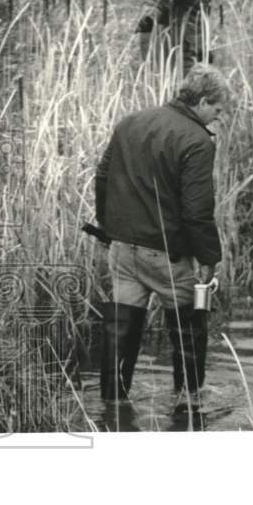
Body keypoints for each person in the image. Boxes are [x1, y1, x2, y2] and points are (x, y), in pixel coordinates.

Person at [94, 64, 231, 420]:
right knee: (189, 331)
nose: (218, 117)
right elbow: (197, 211)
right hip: (167, 257)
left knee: (120, 331)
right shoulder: (196, 140)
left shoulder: (130, 123)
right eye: (217, 110)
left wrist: (108, 230)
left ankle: (113, 407)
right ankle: (189, 408)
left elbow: (103, 177)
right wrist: (208, 259)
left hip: (123, 251)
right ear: (202, 101)